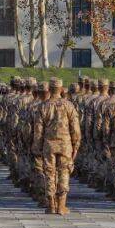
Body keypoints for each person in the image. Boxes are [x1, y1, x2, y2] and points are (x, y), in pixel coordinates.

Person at [32, 77, 80, 215]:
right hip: (65, 145)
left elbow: (38, 130)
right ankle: (61, 205)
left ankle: (51, 205)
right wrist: (76, 144)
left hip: (49, 145)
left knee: (49, 173)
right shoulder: (69, 105)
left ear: (49, 89)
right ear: (61, 89)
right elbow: (75, 128)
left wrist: (37, 147)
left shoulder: (43, 106)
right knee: (64, 172)